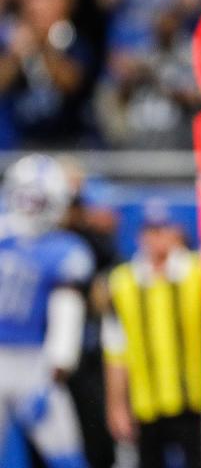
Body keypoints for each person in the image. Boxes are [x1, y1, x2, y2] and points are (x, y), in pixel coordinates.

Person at [0, 154, 94, 468]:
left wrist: (54, 373)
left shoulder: (63, 249)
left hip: (35, 361)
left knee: (65, 452)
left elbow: (66, 319)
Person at [101, 203, 201, 468]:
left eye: (163, 229)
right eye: (151, 230)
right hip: (145, 401)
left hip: (194, 399)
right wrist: (116, 405)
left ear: (177, 233)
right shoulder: (122, 282)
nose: (157, 237)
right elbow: (115, 349)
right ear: (140, 236)